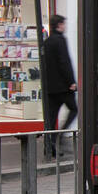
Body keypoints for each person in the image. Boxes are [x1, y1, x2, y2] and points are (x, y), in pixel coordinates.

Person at [41, 15, 77, 158]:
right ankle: (61, 135)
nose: (65, 26)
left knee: (51, 117)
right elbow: (64, 62)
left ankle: (49, 147)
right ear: (59, 25)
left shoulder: (47, 41)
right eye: (64, 24)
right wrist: (71, 82)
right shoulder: (60, 40)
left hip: (50, 87)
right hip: (63, 87)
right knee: (74, 109)